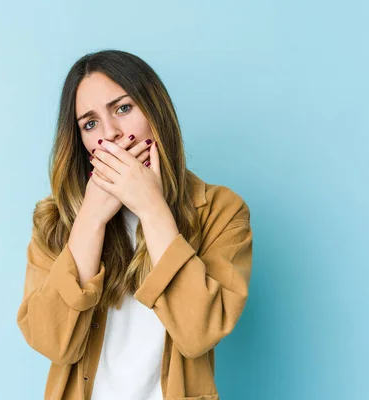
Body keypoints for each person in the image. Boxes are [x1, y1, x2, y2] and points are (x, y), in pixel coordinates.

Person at [16, 49, 253, 400]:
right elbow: (52, 343)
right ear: (80, 141)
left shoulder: (221, 211)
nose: (110, 133)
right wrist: (92, 219)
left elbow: (199, 332)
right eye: (90, 123)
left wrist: (150, 206)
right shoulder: (55, 219)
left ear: (155, 112)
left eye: (123, 108)